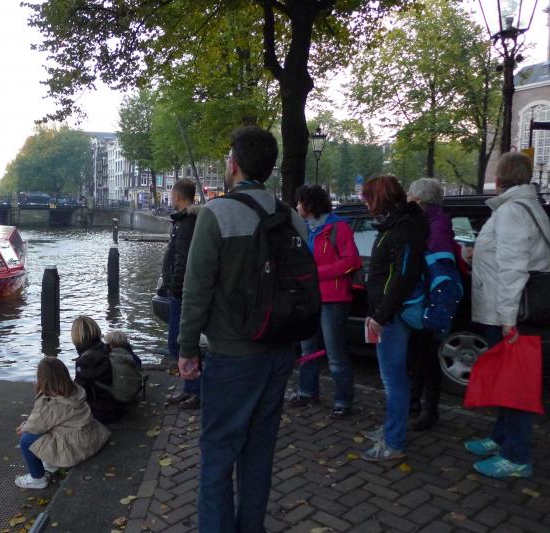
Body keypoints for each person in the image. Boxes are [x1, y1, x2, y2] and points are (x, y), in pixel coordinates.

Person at [178, 126, 308, 532]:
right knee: (259, 454)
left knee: (218, 454)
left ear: (233, 164)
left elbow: (197, 288)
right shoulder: (292, 217)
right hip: (279, 351)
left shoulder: (217, 213)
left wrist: (187, 347)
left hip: (233, 354)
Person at [464, 152, 550, 479]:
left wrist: (508, 320)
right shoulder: (525, 207)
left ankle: (516, 456)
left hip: (509, 315)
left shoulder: (512, 211)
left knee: (515, 385)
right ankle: (502, 438)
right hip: (508, 310)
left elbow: (513, 268)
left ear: (500, 179)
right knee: (507, 379)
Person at [362, 175, 427, 462]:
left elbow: (403, 276)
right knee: (392, 377)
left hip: (392, 314)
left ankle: (394, 441)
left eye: (368, 198)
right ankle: (391, 428)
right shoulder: (395, 224)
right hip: (386, 311)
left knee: (393, 378)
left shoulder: (403, 226)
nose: (366, 205)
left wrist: (381, 314)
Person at [289, 185, 361, 419]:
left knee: (335, 353)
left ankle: (343, 400)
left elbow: (351, 261)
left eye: (300, 202)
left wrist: (315, 273)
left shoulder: (338, 227)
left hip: (333, 299)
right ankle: (307, 391)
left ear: (309, 205)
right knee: (308, 348)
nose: (297, 206)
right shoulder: (306, 229)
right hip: (310, 298)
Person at [405, 178, 457, 431]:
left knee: (427, 357)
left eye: (409, 194)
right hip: (423, 299)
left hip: (428, 301)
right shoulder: (431, 221)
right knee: (418, 354)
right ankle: (414, 401)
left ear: (418, 199)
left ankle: (429, 409)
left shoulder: (434, 226)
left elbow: (436, 267)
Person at [15, 357, 110, 489]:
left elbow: (36, 426)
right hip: (90, 438)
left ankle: (37, 479)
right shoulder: (74, 389)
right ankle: (52, 464)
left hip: (75, 447)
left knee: (26, 439)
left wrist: (24, 427)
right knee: (50, 428)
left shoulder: (49, 402)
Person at [159, 178, 200, 409]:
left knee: (178, 343)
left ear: (177, 196)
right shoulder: (186, 221)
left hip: (181, 293)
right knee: (182, 342)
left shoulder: (185, 224)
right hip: (181, 290)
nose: (171, 199)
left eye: (172, 195)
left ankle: (195, 389)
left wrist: (173, 286)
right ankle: (190, 388)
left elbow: (182, 259)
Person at [71, 316, 126, 424]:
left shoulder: (86, 360)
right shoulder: (106, 348)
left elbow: (78, 392)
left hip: (104, 411)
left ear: (76, 336)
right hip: (118, 405)